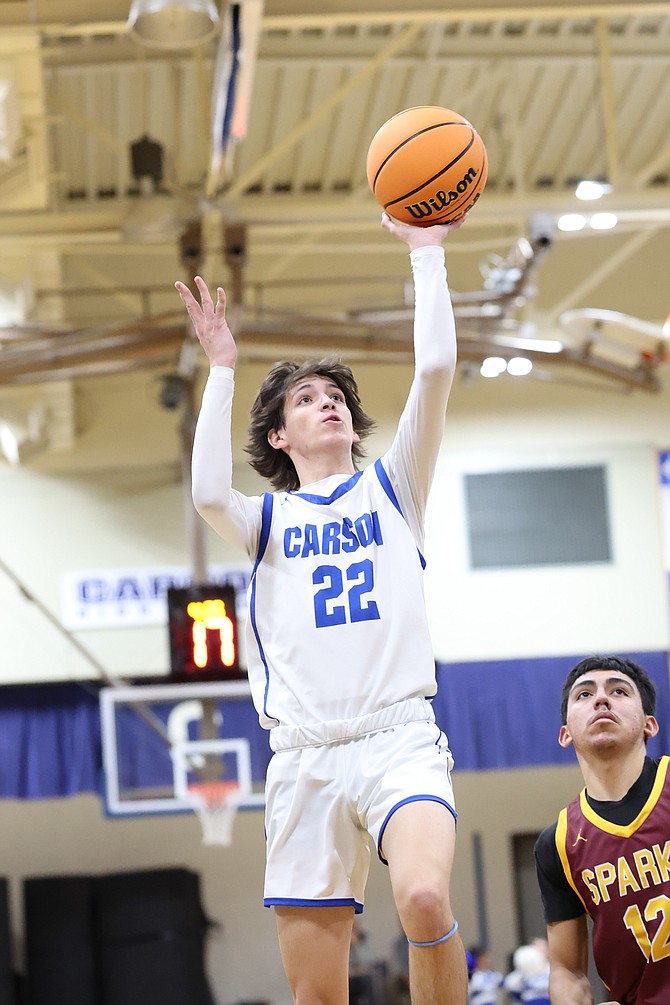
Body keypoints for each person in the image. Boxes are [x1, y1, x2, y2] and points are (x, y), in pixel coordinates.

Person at [175, 210, 468, 1005]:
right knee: (316, 994)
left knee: (424, 897)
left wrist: (427, 254)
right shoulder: (265, 519)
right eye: (308, 398)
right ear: (279, 434)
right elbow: (205, 492)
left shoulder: (394, 486)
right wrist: (223, 368)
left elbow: (436, 368)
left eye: (336, 394)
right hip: (304, 758)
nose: (329, 402)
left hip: (398, 738)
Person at [534, 655, 668, 1004]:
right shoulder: (558, 843)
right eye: (584, 695)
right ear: (565, 734)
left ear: (650, 725)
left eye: (619, 691)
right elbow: (567, 969)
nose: (601, 699)